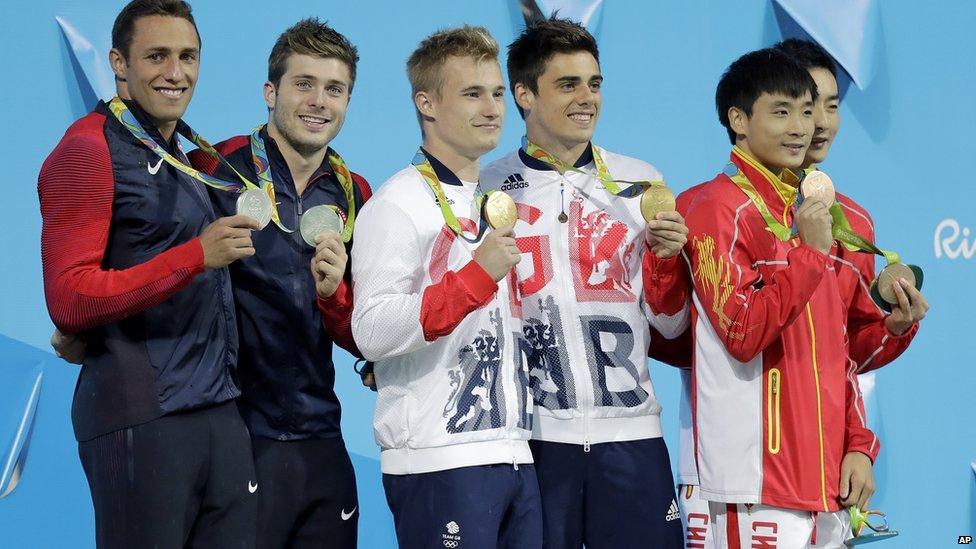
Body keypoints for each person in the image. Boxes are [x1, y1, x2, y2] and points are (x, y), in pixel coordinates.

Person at [669, 40, 930, 547]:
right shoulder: (715, 208)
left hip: (823, 474)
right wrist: (809, 255)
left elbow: (842, 353)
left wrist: (894, 329)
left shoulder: (839, 217)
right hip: (753, 474)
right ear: (740, 118)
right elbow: (740, 334)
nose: (811, 125)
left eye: (819, 109)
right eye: (787, 110)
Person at [38, 1, 258, 547]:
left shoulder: (182, 152)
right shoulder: (87, 150)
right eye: (156, 56)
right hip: (142, 414)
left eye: (188, 57)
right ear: (119, 62)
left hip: (218, 409)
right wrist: (193, 256)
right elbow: (68, 298)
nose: (175, 73)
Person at [481, 17, 689, 548]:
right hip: (532, 440)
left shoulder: (640, 181)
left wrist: (667, 261)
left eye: (594, 84)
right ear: (524, 94)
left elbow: (668, 321)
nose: (587, 98)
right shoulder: (485, 186)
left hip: (633, 437)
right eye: (568, 84)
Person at [350, 26, 542, 549]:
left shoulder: (494, 200)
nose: (492, 107)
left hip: (513, 451)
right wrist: (475, 276)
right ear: (427, 103)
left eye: (497, 92)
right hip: (437, 459)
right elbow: (371, 330)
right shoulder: (396, 204)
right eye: (472, 93)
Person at [187, 18, 371, 548]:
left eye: (334, 89)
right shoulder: (213, 169)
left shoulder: (355, 193)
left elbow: (363, 327)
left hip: (320, 436)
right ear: (271, 92)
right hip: (235, 433)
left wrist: (340, 294)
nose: (318, 101)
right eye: (304, 84)